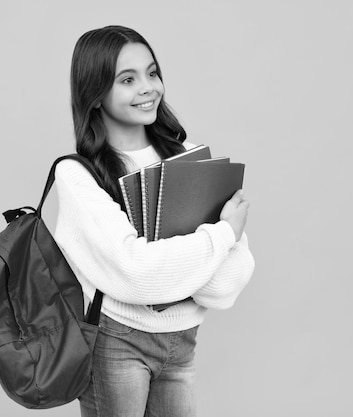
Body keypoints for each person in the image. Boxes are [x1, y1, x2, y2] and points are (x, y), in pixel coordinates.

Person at [54, 25, 255, 417]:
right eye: (127, 80)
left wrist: (175, 271)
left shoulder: (192, 156)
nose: (148, 87)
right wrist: (223, 235)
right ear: (95, 95)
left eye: (152, 72)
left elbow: (232, 280)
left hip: (183, 342)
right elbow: (137, 273)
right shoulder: (78, 175)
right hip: (117, 343)